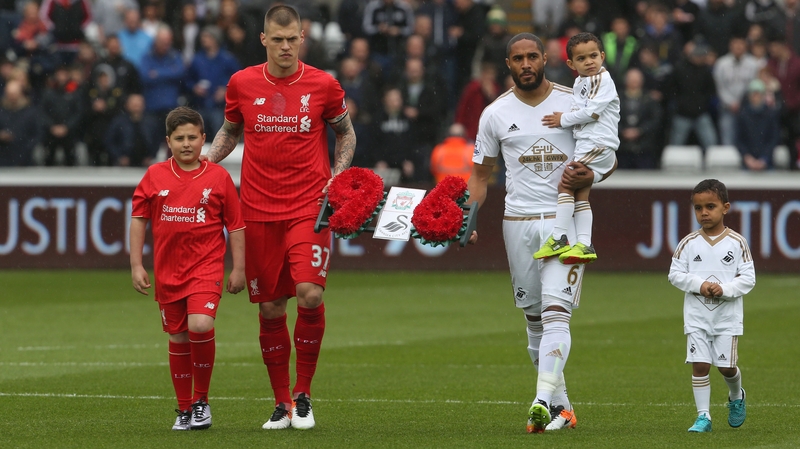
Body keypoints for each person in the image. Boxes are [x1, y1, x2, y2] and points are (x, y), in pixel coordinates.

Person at [202, 4, 356, 431]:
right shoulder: (242, 83)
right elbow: (230, 131)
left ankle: (304, 394)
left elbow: (345, 132)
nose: (286, 46)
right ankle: (281, 402)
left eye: (293, 39)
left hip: (309, 206)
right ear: (264, 40)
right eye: (278, 39)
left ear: (302, 38)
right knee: (270, 307)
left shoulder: (323, 84)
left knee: (309, 294)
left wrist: (338, 177)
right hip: (257, 209)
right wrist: (207, 166)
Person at [467, 32, 602, 434]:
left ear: (546, 59)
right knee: (534, 319)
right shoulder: (495, 113)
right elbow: (480, 174)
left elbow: (604, 152)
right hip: (519, 223)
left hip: (566, 222)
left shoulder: (572, 102)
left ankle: (540, 401)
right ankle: (562, 407)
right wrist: (468, 219)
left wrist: (595, 173)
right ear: (507, 64)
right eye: (517, 58)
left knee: (556, 311)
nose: (526, 64)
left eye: (532, 57)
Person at [129, 106, 246, 431]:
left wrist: (239, 269)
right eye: (179, 138)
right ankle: (184, 409)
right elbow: (139, 219)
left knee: (199, 324)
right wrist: (137, 264)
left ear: (203, 139)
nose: (186, 143)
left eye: (192, 137)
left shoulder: (218, 177)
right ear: (168, 141)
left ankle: (201, 402)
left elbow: (236, 226)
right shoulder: (154, 175)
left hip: (205, 269)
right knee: (179, 337)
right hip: (168, 272)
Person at [668, 179, 754, 433]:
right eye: (698, 208)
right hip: (696, 316)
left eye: (710, 206)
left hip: (727, 317)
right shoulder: (688, 243)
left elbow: (749, 278)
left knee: (726, 367)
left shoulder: (737, 243)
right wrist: (699, 284)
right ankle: (703, 417)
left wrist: (725, 289)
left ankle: (736, 395)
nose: (704, 213)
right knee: (700, 365)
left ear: (725, 207)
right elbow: (674, 274)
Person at [536, 32, 620, 265]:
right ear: (571, 64)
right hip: (591, 143)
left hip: (598, 143)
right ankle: (584, 244)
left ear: (602, 56)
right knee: (580, 192)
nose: (589, 62)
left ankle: (559, 237)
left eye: (593, 55)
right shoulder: (580, 82)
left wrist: (562, 119)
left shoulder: (600, 80)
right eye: (582, 59)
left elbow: (592, 113)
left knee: (566, 183)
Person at [736, 78, 780, 170]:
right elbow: (739, 139)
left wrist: (764, 159)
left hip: (767, 163)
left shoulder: (770, 114)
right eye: (753, 94)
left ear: (763, 95)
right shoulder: (743, 115)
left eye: (758, 94)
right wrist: (748, 158)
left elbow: (773, 138)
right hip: (747, 164)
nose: (756, 97)